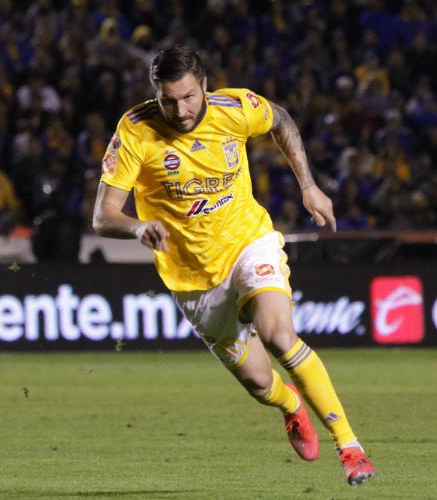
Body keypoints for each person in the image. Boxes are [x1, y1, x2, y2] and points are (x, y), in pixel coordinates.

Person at [92, 44, 375, 487]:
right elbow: (103, 215)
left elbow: (281, 119)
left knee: (280, 334)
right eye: (168, 99)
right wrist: (135, 228)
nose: (180, 109)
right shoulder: (135, 131)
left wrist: (309, 185)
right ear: (155, 93)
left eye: (188, 96)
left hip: (248, 243)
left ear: (205, 85)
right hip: (192, 278)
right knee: (260, 384)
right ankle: (291, 406)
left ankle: (350, 447)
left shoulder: (236, 107)